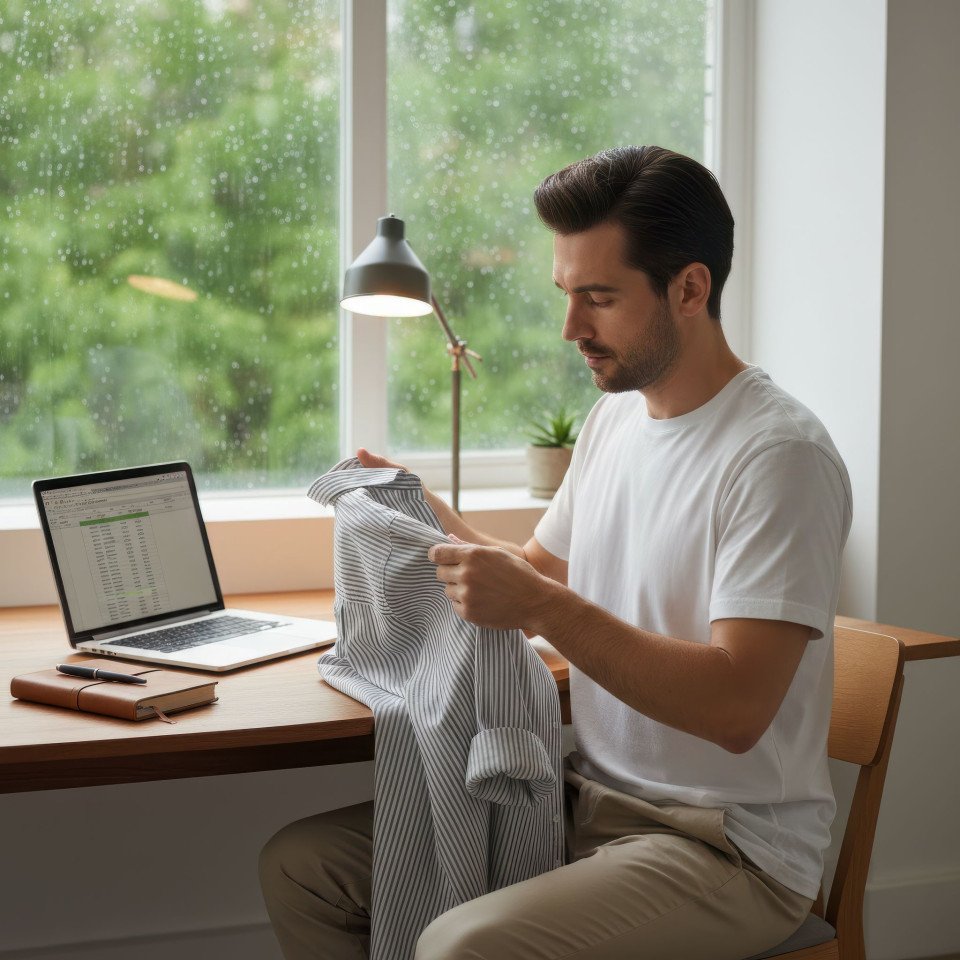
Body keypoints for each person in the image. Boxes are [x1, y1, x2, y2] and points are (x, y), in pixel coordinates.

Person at [259, 145, 852, 960]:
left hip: (727, 849)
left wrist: (538, 605)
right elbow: (535, 576)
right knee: (303, 868)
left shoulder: (778, 456)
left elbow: (736, 710)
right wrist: (422, 507)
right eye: (567, 294)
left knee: (461, 947)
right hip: (580, 800)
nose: (572, 327)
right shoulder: (618, 422)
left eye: (599, 298)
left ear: (690, 288)